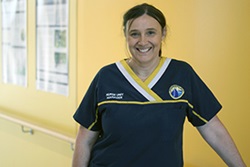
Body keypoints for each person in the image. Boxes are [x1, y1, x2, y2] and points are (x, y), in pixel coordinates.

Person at [72, 3, 246, 167]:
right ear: (126, 35)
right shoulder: (107, 76)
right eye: (134, 34)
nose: (142, 41)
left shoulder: (181, 73)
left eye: (150, 33)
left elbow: (212, 129)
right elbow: (85, 137)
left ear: (162, 34)